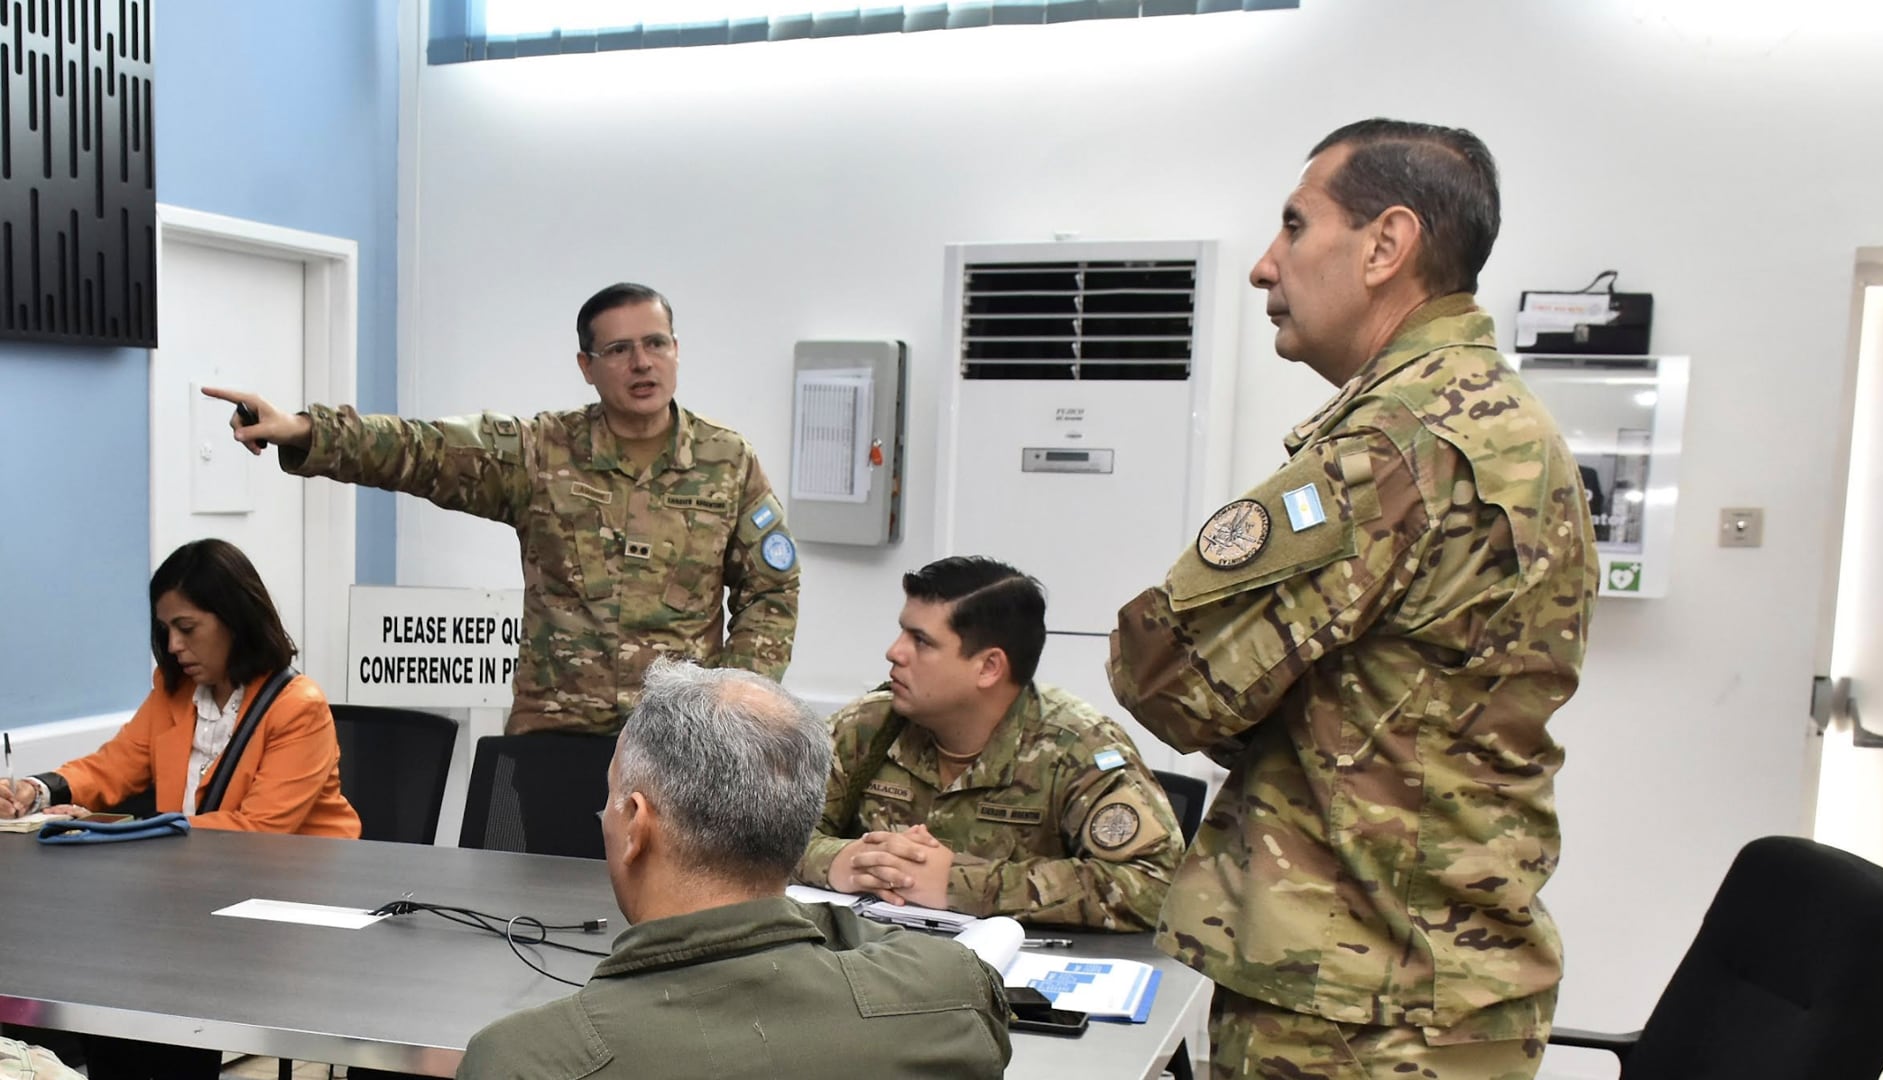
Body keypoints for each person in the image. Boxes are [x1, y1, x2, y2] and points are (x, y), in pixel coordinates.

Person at [1108, 119, 1597, 1079]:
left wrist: (1267, 707)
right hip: (1433, 987)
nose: (1263, 266)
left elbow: (1159, 665)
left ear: (1386, 246)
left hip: (1360, 1014)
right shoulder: (1500, 419)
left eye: (1294, 227)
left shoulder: (1400, 441)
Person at [203, 282, 800, 736]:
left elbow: (772, 589)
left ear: (676, 351)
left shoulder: (727, 461)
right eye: (618, 349)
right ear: (586, 367)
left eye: (655, 344)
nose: (641, 362)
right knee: (528, 897)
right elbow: (421, 449)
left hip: (679, 745)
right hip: (554, 738)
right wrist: (304, 431)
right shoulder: (541, 451)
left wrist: (735, 701)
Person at [457, 659, 1010, 1079]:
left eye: (611, 800)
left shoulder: (521, 1061)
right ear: (796, 826)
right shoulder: (948, 997)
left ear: (636, 826)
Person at [0, 538, 360, 1079]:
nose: (171, 646)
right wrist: (38, 788)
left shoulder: (297, 708)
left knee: (139, 986)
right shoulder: (172, 694)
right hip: (195, 906)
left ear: (234, 619)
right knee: (116, 987)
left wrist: (120, 833)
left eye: (186, 629)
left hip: (286, 914)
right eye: (165, 630)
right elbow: (115, 764)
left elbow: (257, 832)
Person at [794, 556, 1183, 931]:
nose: (894, 652)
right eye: (902, 632)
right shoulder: (868, 726)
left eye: (921, 641)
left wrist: (959, 883)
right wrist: (841, 860)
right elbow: (752, 833)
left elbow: (1155, 883)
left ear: (989, 667)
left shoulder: (1075, 747)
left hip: (1016, 983)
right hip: (871, 964)